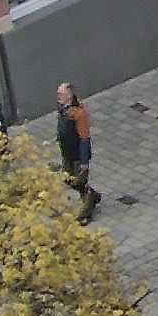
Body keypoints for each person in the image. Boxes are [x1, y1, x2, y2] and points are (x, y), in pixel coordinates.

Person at [55, 82, 102, 223]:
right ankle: (92, 195)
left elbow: (84, 139)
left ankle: (86, 213)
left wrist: (84, 162)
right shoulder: (63, 109)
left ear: (69, 96)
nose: (58, 96)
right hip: (67, 152)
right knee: (69, 179)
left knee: (79, 182)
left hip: (77, 155)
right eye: (58, 93)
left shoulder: (79, 114)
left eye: (61, 94)